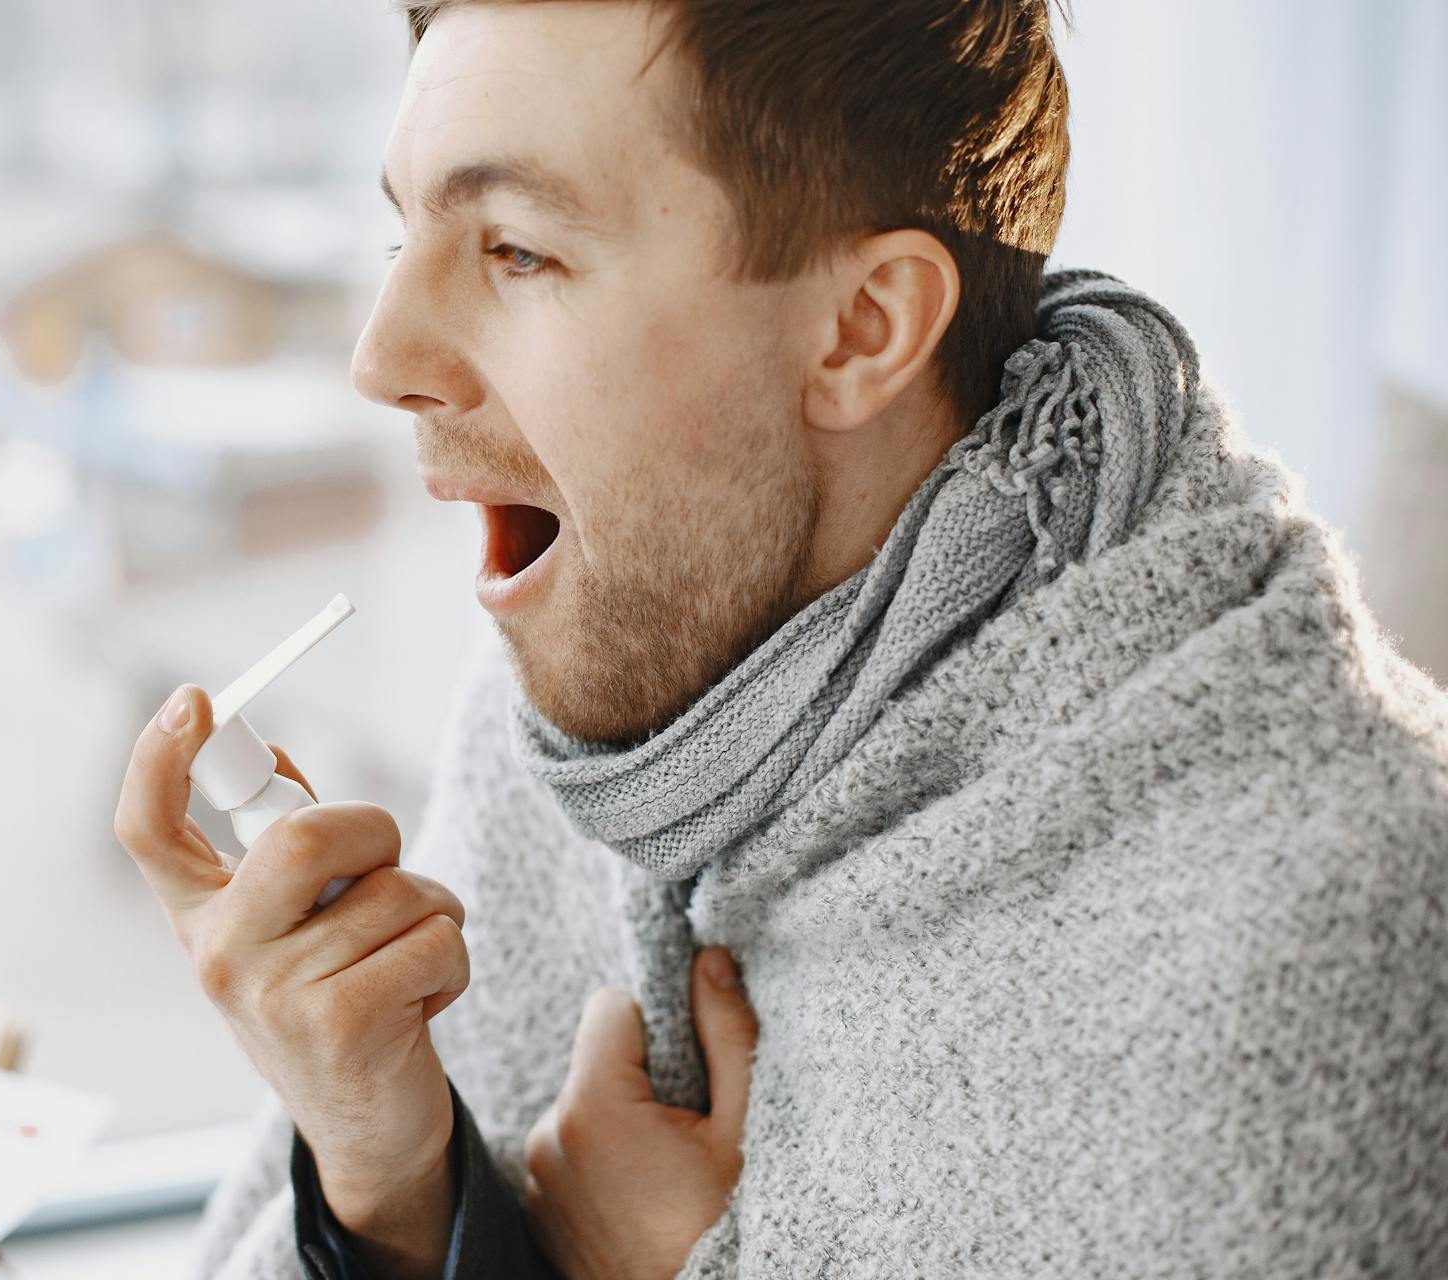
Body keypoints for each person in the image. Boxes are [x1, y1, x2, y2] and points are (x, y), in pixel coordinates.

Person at [113, 2, 1448, 1276]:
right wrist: (389, 1182)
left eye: (516, 248)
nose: (382, 352)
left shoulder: (1312, 942)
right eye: (403, 235)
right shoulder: (588, 685)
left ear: (863, 329)